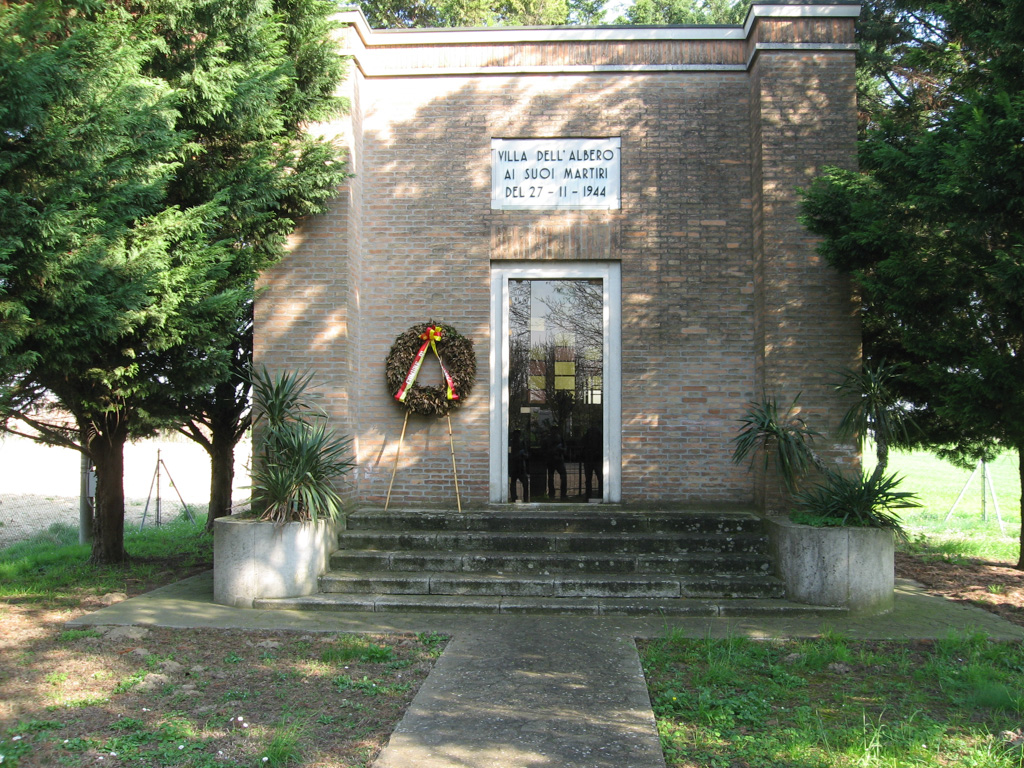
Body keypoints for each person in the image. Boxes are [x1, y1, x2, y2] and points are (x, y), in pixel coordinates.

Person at [542, 425, 567, 500]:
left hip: (557, 460)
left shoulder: (558, 438)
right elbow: (544, 450)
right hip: (553, 460)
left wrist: (561, 450)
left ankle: (557, 494)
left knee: (554, 477)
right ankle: (556, 494)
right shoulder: (548, 439)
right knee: (552, 477)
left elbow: (565, 448)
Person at [582, 423, 602, 500]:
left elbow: (582, 444)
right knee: (600, 478)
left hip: (589, 459)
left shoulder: (587, 435)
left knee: (588, 479)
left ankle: (588, 496)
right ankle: (600, 495)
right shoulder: (599, 435)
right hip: (596, 459)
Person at [509, 429, 530, 502]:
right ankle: (513, 498)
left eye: (518, 434)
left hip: (521, 467)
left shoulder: (522, 443)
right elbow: (509, 455)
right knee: (513, 484)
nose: (517, 436)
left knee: (525, 483)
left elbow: (527, 455)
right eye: (515, 434)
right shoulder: (510, 443)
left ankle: (526, 498)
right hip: (514, 466)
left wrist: (523, 454)